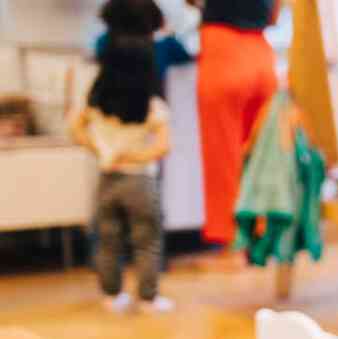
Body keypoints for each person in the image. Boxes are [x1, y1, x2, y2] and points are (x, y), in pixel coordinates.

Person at [69, 35, 173, 313]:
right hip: (141, 181)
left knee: (107, 240)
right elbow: (163, 146)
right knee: (147, 240)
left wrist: (103, 152)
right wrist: (134, 156)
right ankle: (149, 298)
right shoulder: (152, 105)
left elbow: (75, 130)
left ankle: (111, 296)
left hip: (107, 179)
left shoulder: (96, 103)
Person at [185, 0, 281, 259]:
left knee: (223, 158)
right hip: (261, 54)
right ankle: (264, 241)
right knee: (263, 157)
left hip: (222, 47)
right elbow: (274, 17)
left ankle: (234, 247)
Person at [94, 0, 193, 98]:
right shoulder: (165, 46)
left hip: (109, 104)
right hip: (153, 105)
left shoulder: (104, 43)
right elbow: (189, 64)